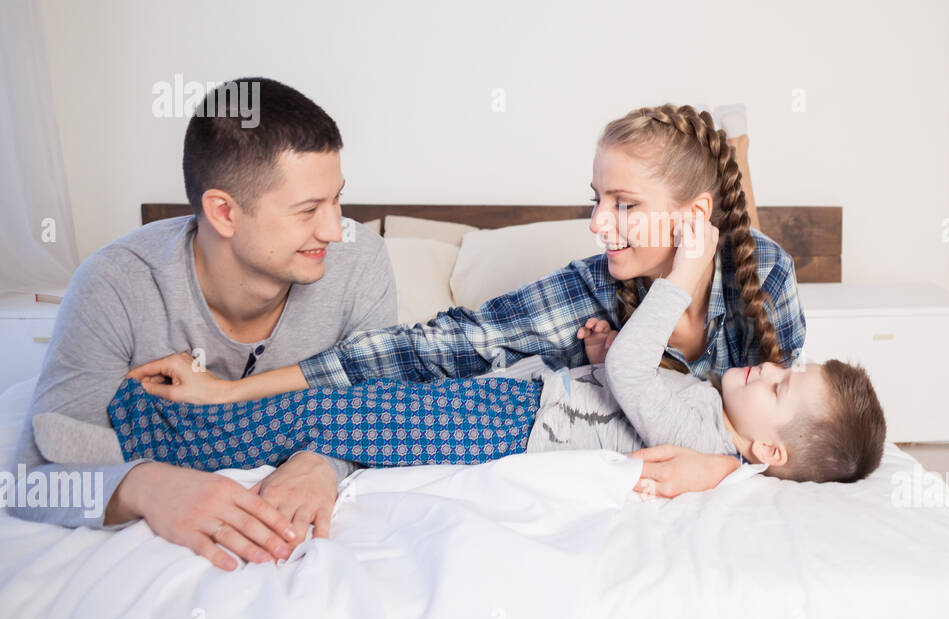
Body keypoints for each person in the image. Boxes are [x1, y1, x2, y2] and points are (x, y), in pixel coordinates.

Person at [39, 218, 886, 489]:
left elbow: (642, 386)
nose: (768, 367)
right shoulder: (718, 429)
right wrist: (606, 354)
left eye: (780, 385)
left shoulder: (715, 438)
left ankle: (133, 441)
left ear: (769, 449)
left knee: (327, 420)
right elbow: (636, 390)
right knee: (331, 414)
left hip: (503, 425)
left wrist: (680, 285)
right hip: (509, 405)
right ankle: (143, 429)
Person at [132, 104, 808, 423]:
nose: (597, 224)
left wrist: (716, 469)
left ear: (694, 215)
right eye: (597, 199)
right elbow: (433, 348)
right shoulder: (592, 290)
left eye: (625, 205)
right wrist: (231, 391)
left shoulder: (767, 277)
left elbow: (788, 427)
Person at [11, 78, 397, 572]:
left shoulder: (362, 263)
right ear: (223, 212)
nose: (334, 229)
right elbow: (29, 481)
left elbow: (381, 408)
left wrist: (323, 462)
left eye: (337, 199)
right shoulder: (115, 285)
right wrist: (144, 485)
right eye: (308, 210)